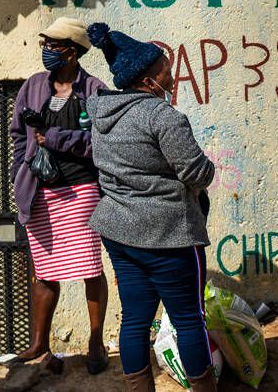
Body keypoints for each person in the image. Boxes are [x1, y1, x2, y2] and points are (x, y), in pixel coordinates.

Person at [85, 23, 216, 392]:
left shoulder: (101, 116)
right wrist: (209, 167)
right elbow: (196, 172)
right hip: (168, 236)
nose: (171, 75)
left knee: (134, 321)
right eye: (165, 69)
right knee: (190, 321)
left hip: (119, 233)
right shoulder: (163, 116)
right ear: (148, 79)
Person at [7, 17, 109, 373]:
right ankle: (39, 343)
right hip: (39, 191)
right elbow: (20, 134)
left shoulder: (94, 89)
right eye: (44, 45)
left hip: (80, 190)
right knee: (44, 270)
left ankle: (96, 342)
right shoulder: (33, 86)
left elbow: (103, 142)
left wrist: (53, 138)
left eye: (53, 45)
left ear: (73, 51)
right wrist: (19, 172)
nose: (47, 51)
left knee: (88, 267)